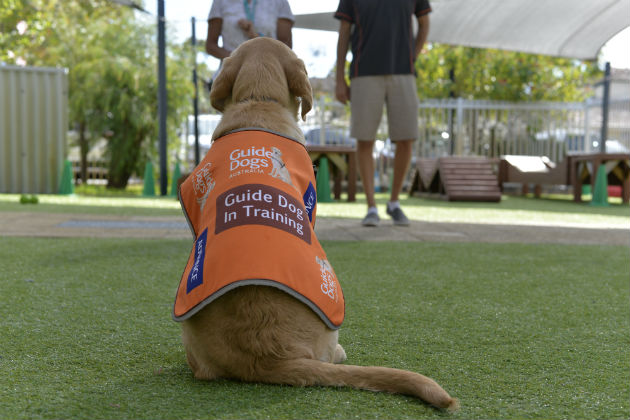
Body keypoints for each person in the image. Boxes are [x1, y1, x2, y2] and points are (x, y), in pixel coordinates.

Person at [334, 0, 431, 227]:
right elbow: (344, 31)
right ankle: (371, 207)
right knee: (365, 139)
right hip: (363, 72)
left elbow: (424, 23)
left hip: (404, 73)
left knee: (406, 138)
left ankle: (394, 203)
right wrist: (340, 78)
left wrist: (412, 57)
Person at [205, 0, 294, 73]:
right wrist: (238, 60)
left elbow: (286, 47)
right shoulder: (220, 2)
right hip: (232, 75)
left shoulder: (280, 2)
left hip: (269, 75)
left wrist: (256, 36)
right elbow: (211, 46)